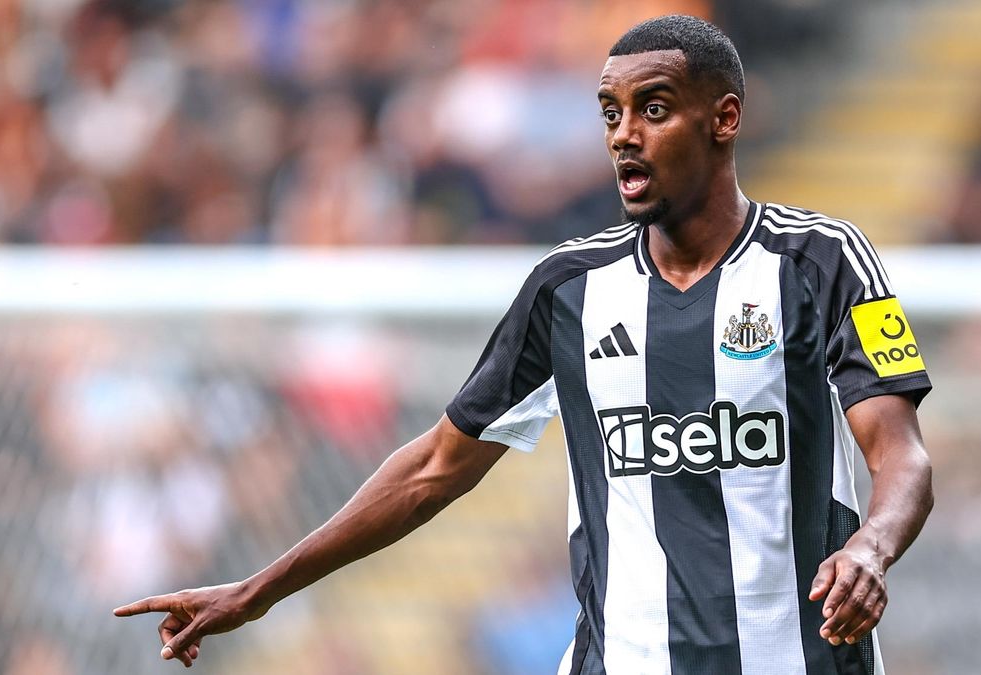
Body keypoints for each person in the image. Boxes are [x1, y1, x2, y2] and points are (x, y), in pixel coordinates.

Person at [114, 15, 934, 675]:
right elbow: (435, 466)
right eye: (610, 113)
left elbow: (903, 455)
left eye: (653, 109)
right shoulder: (566, 289)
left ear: (724, 119)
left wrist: (871, 545)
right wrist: (261, 589)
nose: (624, 134)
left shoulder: (825, 261)